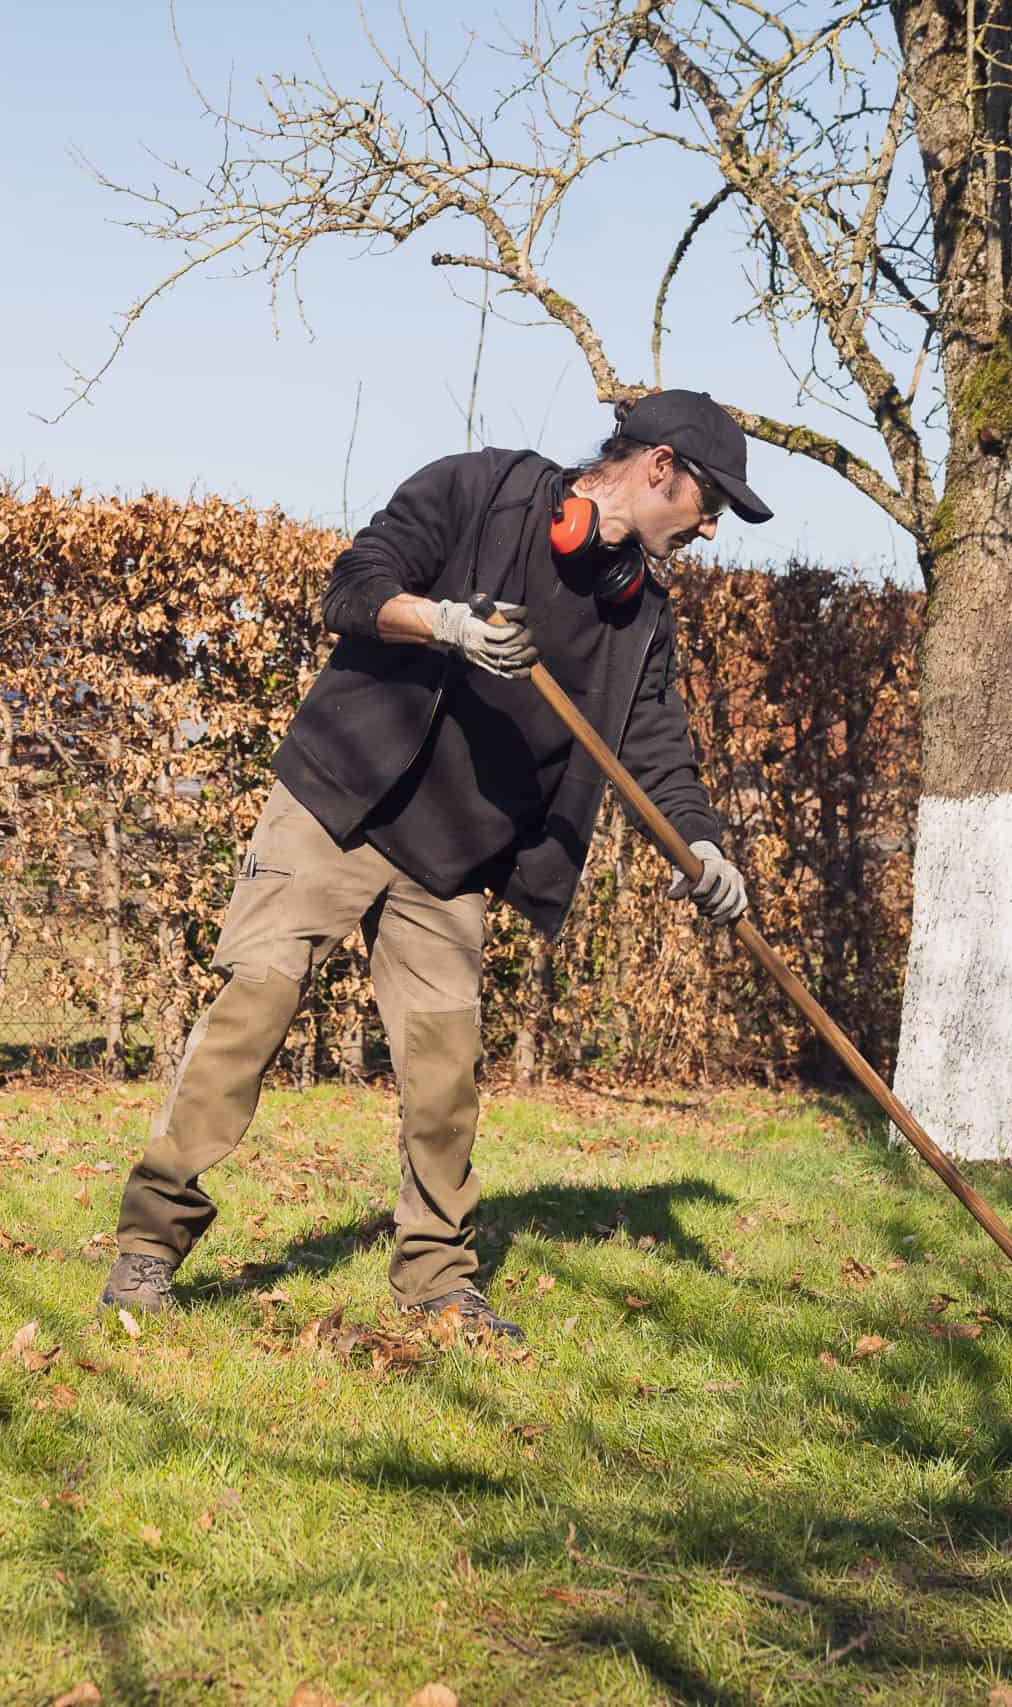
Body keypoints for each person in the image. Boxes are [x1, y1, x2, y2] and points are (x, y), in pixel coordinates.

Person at [99, 389, 774, 1342]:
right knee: (253, 1008)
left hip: (453, 857)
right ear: (658, 466)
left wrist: (698, 839)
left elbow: (657, 743)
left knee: (445, 1075)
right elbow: (353, 584)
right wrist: (444, 622)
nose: (712, 526)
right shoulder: (477, 488)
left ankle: (435, 1280)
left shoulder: (639, 615)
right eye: (710, 501)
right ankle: (147, 1250)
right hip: (338, 802)